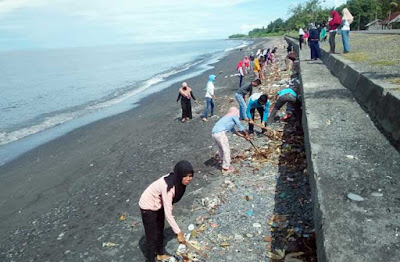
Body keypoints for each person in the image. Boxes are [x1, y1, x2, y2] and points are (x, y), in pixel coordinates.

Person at [139, 160, 194, 262]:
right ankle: (150, 260)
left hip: (159, 203)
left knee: (160, 229)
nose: (188, 179)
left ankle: (160, 254)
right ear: (179, 175)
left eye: (190, 176)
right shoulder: (169, 188)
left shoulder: (179, 182)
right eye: (185, 176)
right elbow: (169, 214)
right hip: (148, 206)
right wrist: (179, 233)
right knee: (152, 237)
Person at [212, 107, 249, 174]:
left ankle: (224, 163)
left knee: (221, 149)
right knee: (226, 150)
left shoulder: (227, 118)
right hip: (220, 134)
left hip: (214, 133)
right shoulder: (233, 116)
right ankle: (225, 168)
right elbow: (240, 126)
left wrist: (243, 136)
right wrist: (246, 134)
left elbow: (233, 130)